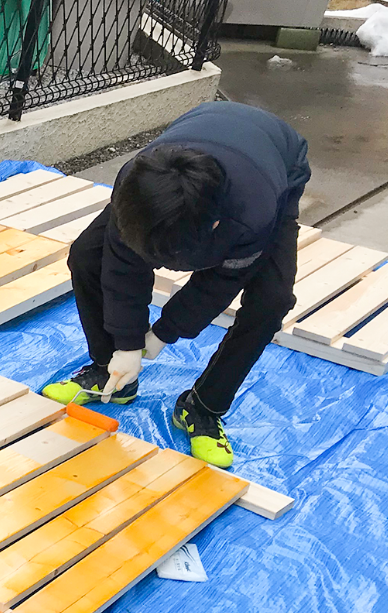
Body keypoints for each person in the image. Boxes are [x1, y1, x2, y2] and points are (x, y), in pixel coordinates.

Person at [41, 101, 311, 468]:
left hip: (277, 161)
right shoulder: (133, 187)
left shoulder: (251, 213)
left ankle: (202, 406)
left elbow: (219, 283)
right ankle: (112, 373)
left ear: (214, 227)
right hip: (198, 143)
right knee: (88, 256)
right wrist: (126, 345)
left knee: (272, 300)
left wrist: (165, 333)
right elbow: (122, 266)